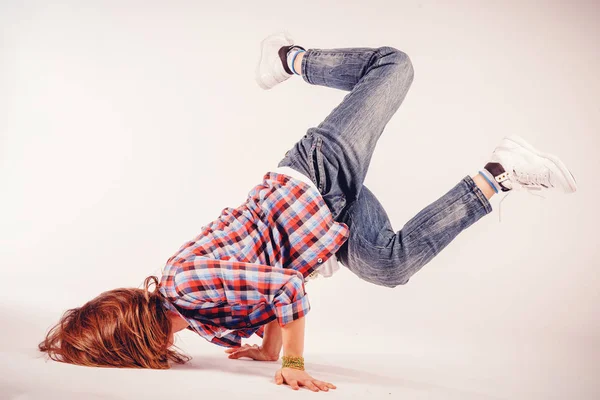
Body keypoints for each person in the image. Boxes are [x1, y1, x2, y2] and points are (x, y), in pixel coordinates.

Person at [39, 31, 577, 392]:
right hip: (322, 217)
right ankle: (499, 175)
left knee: (395, 67)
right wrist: (268, 347)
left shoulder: (185, 285)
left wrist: (291, 362)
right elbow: (266, 289)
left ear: (136, 338)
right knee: (388, 266)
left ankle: (289, 59)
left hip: (312, 176)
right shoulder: (196, 319)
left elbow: (286, 289)